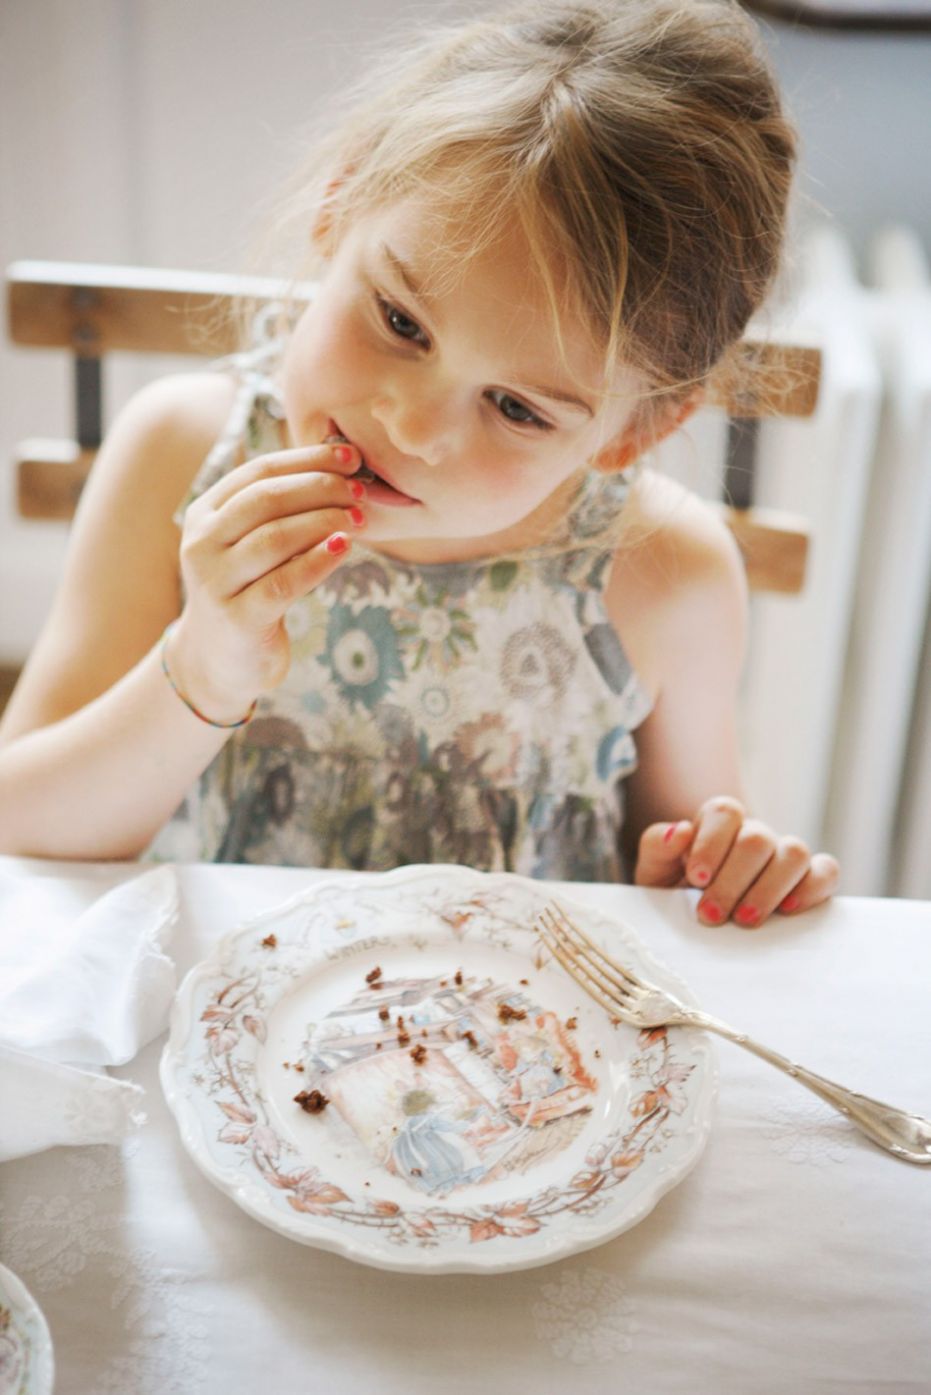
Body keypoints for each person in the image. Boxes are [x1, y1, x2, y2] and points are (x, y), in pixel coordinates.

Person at [0, 0, 839, 926]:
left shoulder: (663, 573)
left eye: (516, 408)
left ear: (627, 433)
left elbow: (689, 874)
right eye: (400, 321)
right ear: (337, 204)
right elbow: (22, 828)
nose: (411, 426)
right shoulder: (179, 457)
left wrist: (723, 872)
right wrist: (202, 667)